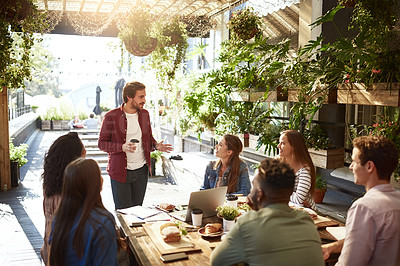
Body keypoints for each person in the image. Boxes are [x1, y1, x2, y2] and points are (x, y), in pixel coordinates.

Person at [211, 158, 324, 266]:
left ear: (260, 194)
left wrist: (254, 212)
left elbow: (217, 261)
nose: (250, 193)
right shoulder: (307, 222)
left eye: (253, 187)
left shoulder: (249, 223)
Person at [322, 135, 400, 265]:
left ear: (369, 166)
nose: (351, 167)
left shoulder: (364, 208)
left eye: (354, 161)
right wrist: (332, 247)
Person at [98, 81, 173, 209]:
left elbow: (148, 138)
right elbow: (102, 144)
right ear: (129, 97)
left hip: (141, 172)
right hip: (120, 172)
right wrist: (121, 147)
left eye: (144, 96)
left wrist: (156, 146)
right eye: (141, 97)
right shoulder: (111, 116)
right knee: (124, 214)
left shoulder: (144, 114)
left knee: (138, 212)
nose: (144, 100)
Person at [48, 158, 120, 266]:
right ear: (92, 184)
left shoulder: (60, 218)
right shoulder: (103, 221)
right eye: (99, 175)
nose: (102, 179)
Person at [40, 132, 86, 263]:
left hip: (49, 248)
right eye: (82, 150)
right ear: (73, 157)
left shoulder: (50, 183)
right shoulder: (72, 189)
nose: (85, 152)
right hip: (66, 252)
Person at [277, 130, 316, 209]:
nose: (278, 146)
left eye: (283, 143)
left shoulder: (304, 171)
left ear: (294, 146)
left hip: (306, 213)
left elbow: (298, 199)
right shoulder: (279, 162)